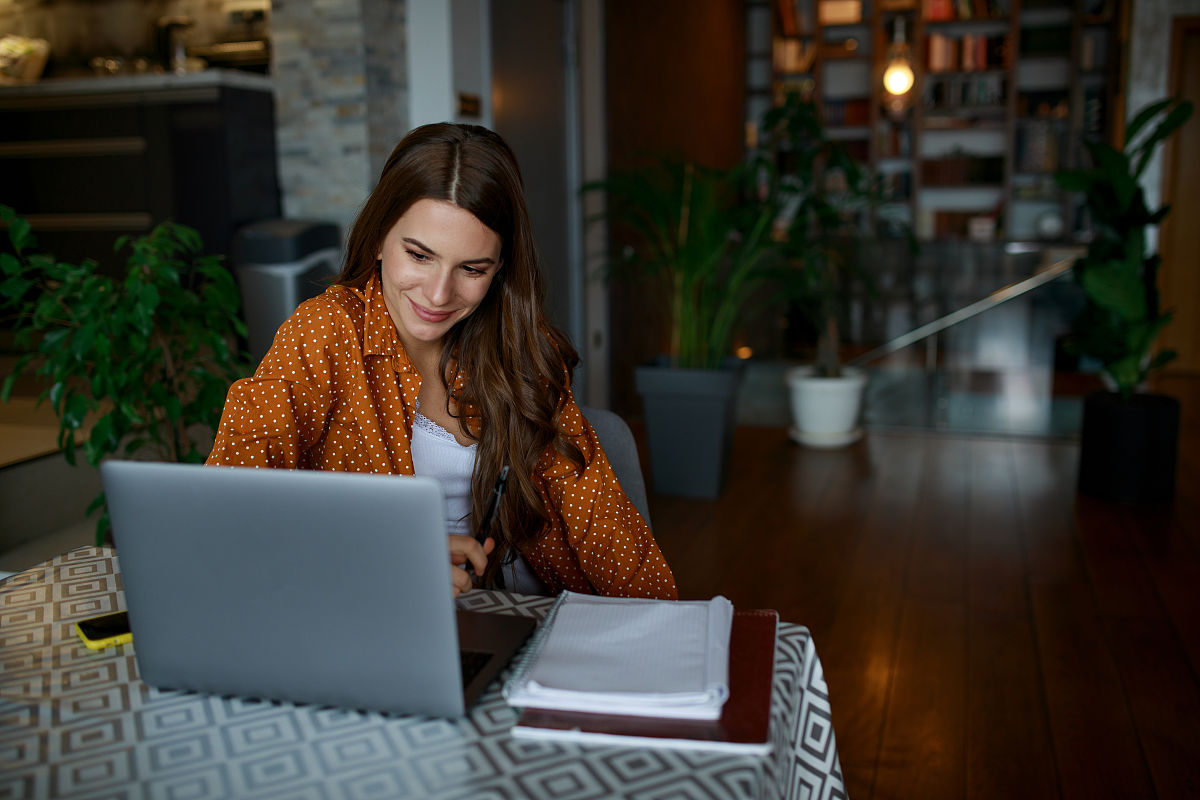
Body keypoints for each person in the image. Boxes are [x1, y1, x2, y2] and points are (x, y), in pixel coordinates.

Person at [206, 122, 677, 601]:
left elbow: (605, 529)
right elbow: (230, 508)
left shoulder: (526, 351)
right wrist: (389, 560)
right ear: (378, 240)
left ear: (500, 270)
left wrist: (666, 632)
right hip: (372, 616)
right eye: (419, 255)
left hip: (517, 615)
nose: (437, 295)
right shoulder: (325, 332)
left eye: (472, 268)